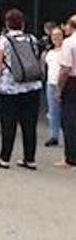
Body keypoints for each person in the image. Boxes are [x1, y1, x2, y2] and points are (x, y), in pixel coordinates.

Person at [0, 9, 43, 170]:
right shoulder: (31, 39)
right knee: (29, 124)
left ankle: (4, 157)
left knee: (8, 123)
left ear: (7, 23)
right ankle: (29, 159)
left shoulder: (3, 41)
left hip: (9, 87)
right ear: (22, 23)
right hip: (32, 86)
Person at [56, 15, 76, 167]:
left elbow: (65, 68)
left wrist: (59, 88)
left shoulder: (69, 43)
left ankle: (71, 157)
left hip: (72, 82)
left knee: (69, 119)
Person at [44, 26, 64, 147]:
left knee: (66, 111)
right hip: (51, 83)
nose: (56, 38)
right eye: (54, 36)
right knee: (53, 111)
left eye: (59, 35)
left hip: (64, 83)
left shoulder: (66, 51)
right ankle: (54, 135)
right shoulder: (50, 52)